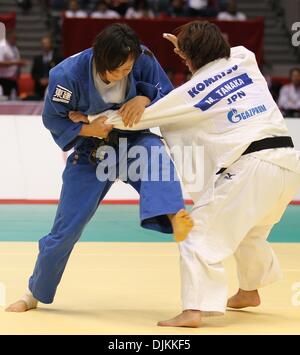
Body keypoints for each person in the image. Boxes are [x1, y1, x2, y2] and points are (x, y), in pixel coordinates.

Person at [77, 20, 300, 327]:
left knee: (195, 234)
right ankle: (249, 291)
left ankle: (193, 310)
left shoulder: (191, 92)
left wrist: (88, 117)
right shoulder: (244, 57)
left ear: (191, 56)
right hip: (288, 163)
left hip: (251, 167)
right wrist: (189, 44)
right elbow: (220, 50)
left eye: (183, 56)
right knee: (250, 231)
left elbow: (139, 118)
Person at [6, 24, 193, 313]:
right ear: (101, 59)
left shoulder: (140, 57)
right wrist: (87, 129)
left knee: (155, 152)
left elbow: (164, 91)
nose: (126, 74)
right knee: (67, 229)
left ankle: (174, 213)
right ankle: (34, 292)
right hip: (92, 152)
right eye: (119, 71)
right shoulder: (66, 75)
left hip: (133, 142)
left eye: (129, 69)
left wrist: (143, 98)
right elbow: (53, 119)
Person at [0, 29, 27, 99]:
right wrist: (16, 62)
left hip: (14, 79)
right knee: (5, 101)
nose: (15, 40)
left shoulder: (14, 47)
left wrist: (19, 63)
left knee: (16, 99)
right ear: (9, 37)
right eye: (14, 38)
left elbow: (16, 61)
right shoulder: (2, 46)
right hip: (3, 79)